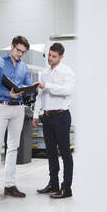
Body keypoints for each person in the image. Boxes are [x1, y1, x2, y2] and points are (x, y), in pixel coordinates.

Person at [0, 36, 33, 200]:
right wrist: (9, 92)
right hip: (1, 106)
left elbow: (27, 85)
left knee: (13, 147)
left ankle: (9, 185)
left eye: (23, 52)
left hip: (18, 109)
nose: (20, 54)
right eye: (18, 50)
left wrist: (28, 89)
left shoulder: (24, 67)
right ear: (12, 47)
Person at [33, 43, 75, 199]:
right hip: (48, 117)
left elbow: (67, 91)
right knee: (50, 153)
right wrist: (36, 114)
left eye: (54, 56)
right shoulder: (44, 73)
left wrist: (48, 85)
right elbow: (40, 95)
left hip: (61, 116)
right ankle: (54, 184)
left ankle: (67, 188)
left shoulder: (67, 72)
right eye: (49, 55)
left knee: (65, 153)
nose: (50, 59)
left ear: (61, 57)